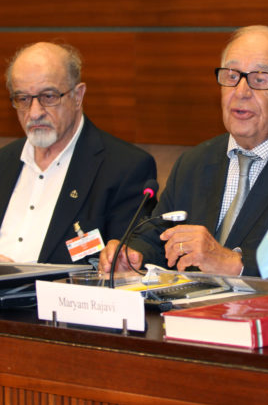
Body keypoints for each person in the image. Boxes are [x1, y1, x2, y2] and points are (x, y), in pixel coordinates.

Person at [99, 25, 268, 277]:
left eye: (260, 79)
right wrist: (133, 255)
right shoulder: (193, 163)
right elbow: (158, 237)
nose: (241, 91)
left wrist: (234, 264)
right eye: (231, 76)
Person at [0, 42, 157, 264]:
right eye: (23, 99)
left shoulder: (125, 169)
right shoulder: (3, 163)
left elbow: (123, 269)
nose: (34, 113)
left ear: (77, 95)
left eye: (48, 97)